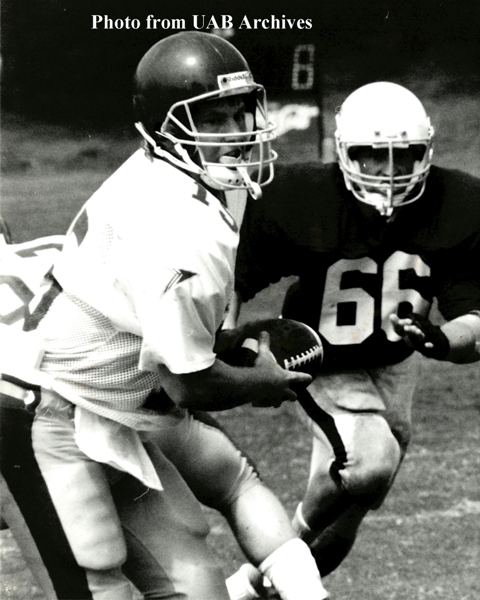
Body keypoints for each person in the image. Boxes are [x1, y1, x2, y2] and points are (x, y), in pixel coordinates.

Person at [1, 32, 328, 600]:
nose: (235, 134)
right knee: (97, 579)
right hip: (38, 409)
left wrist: (225, 342)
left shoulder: (177, 178)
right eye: (212, 119)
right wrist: (263, 382)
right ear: (164, 127)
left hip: (105, 407)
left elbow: (145, 325)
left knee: (197, 583)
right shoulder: (179, 227)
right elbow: (188, 383)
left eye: (238, 113)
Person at [228, 81, 480, 583]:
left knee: (349, 513)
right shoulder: (302, 199)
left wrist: (438, 340)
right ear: (344, 153)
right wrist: (227, 347)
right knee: (369, 465)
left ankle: (261, 580)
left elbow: (474, 322)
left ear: (426, 151)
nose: (389, 173)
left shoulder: (459, 203)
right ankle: (273, 561)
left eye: (404, 156)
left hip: (394, 361)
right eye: (372, 157)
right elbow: (234, 279)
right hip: (321, 356)